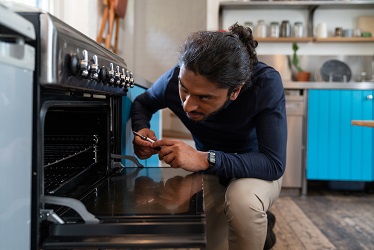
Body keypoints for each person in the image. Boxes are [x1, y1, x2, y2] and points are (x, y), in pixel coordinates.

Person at [130, 22, 287, 250]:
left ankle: (257, 216)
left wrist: (204, 159)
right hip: (212, 169)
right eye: (184, 89)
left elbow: (273, 163)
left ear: (236, 91)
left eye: (204, 98)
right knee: (212, 241)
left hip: (257, 167)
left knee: (242, 201)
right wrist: (142, 129)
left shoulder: (265, 84)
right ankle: (261, 228)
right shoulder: (175, 79)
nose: (187, 105)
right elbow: (143, 104)